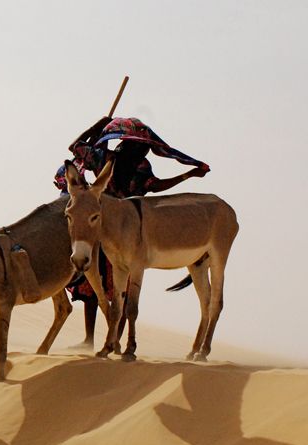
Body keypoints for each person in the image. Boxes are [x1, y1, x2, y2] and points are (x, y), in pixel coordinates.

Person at [55, 116, 211, 345]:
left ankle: (111, 340)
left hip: (121, 231)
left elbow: (76, 147)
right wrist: (99, 127)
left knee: (117, 287)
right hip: (106, 227)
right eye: (142, 147)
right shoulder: (109, 159)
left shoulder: (120, 161)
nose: (144, 152)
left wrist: (98, 127)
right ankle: (97, 339)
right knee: (98, 285)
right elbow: (76, 149)